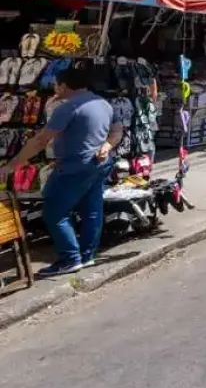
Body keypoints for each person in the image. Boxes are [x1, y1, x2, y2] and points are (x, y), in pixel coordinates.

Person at [0, 65, 121, 277]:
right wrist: (108, 145)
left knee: (54, 212)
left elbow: (40, 141)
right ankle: (87, 255)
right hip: (98, 165)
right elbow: (117, 131)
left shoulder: (67, 108)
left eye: (55, 84)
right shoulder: (103, 103)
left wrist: (12, 164)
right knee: (92, 211)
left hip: (74, 167)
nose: (54, 87)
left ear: (63, 85)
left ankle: (70, 259)